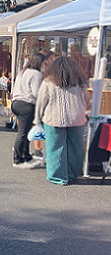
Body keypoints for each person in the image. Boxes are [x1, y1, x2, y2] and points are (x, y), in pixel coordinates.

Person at [34, 56, 90, 185]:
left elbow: (41, 102)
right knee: (76, 148)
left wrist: (37, 119)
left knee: (55, 148)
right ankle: (72, 174)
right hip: (77, 118)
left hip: (54, 118)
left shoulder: (48, 81)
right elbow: (86, 99)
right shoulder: (80, 81)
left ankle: (58, 176)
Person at [11, 52, 45, 168]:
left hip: (16, 103)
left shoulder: (23, 71)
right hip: (27, 105)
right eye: (43, 63)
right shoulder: (36, 73)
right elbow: (36, 93)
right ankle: (17, 158)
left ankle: (26, 155)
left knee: (24, 131)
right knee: (23, 132)